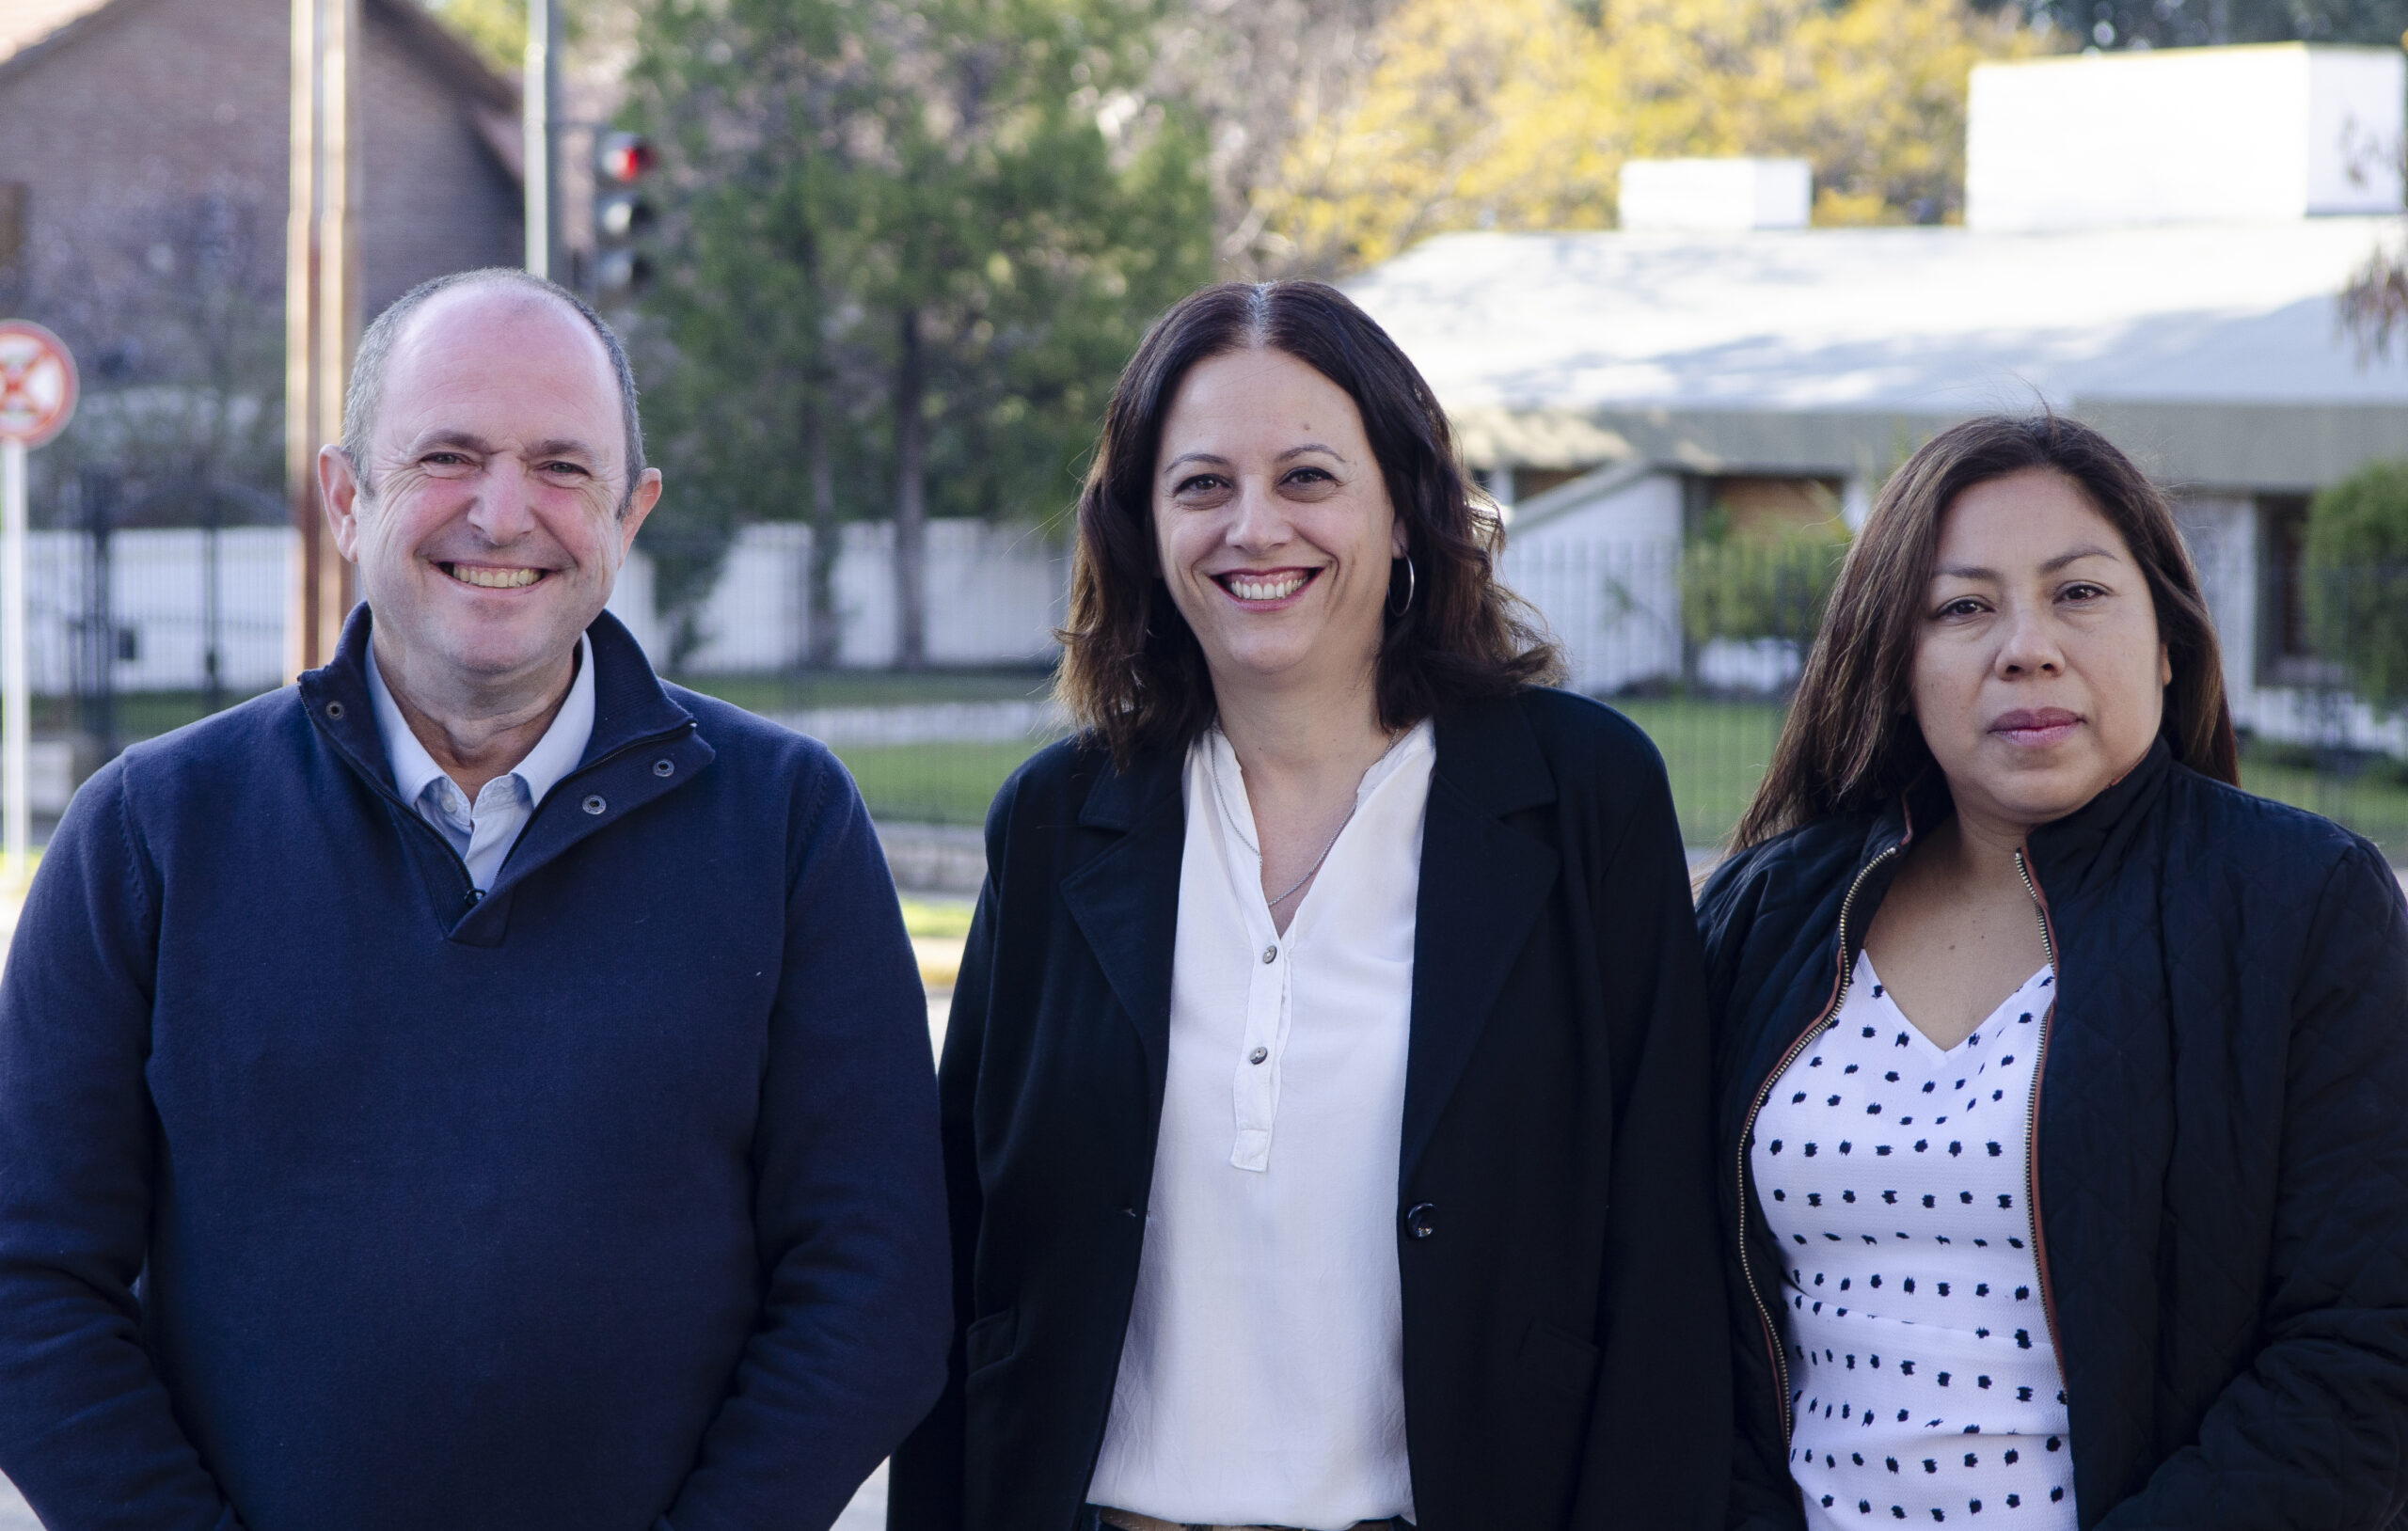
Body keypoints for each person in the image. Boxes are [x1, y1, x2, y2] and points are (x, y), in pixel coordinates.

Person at [0, 268, 950, 1531]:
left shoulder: (786, 826)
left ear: (632, 513)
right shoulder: (155, 831)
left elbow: (873, 1285)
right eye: (448, 455)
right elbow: (25, 1281)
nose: (505, 514)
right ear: (347, 498)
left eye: (564, 467)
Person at [888, 280, 1730, 1531]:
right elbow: (964, 1270)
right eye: (1202, 485)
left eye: (1309, 478)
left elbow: (1665, 1261)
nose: (1253, 526)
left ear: (1407, 510)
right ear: (1143, 528)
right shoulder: (1057, 826)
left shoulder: (1581, 797)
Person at [1700, 414, 2408, 1530]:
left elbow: (2362, 1348)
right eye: (1962, 606)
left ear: (2168, 642)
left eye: (2078, 592)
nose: (2024, 645)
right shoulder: (1764, 914)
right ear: (1896, 658)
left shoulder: (2304, 901)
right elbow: (1678, 1327)